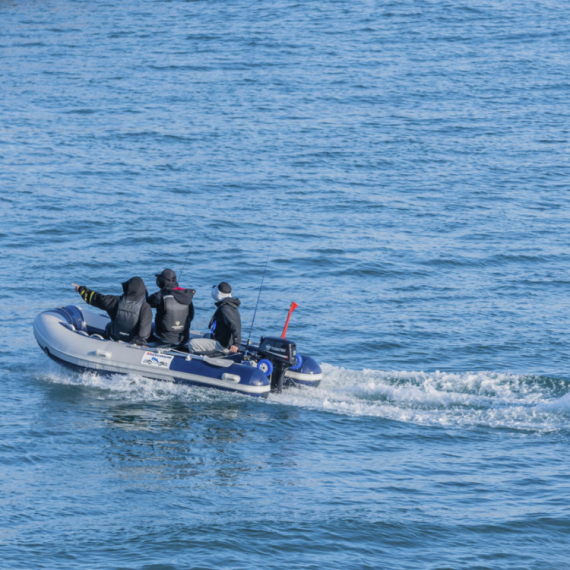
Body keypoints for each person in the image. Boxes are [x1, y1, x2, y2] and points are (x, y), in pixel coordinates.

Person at [72, 277, 152, 346]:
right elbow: (144, 331)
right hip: (132, 343)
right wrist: (141, 344)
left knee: (108, 326)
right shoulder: (145, 308)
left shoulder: (115, 301)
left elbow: (97, 298)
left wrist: (81, 289)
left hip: (114, 338)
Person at [147, 268, 195, 347]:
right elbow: (191, 316)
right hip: (184, 338)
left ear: (163, 281)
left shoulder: (159, 296)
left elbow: (145, 304)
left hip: (163, 337)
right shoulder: (186, 296)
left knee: (149, 326)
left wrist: (144, 292)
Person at [188, 282, 241, 354]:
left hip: (223, 345)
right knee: (206, 336)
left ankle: (200, 360)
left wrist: (236, 344)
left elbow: (235, 325)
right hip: (221, 339)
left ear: (219, 293)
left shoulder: (225, 308)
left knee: (192, 343)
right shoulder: (231, 305)